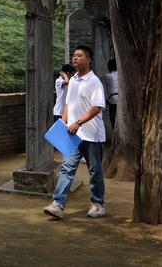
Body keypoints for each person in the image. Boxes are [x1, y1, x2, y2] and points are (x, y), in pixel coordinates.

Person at [43, 44, 107, 220]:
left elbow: (97, 107)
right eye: (74, 55)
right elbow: (68, 105)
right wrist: (62, 124)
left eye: (79, 55)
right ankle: (57, 204)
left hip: (92, 135)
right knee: (67, 168)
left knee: (95, 170)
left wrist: (78, 122)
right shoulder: (72, 81)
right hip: (73, 134)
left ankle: (98, 204)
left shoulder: (94, 82)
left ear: (88, 59)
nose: (74, 58)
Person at [105, 59, 119, 128]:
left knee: (113, 120)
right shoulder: (123, 75)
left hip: (112, 101)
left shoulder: (107, 77)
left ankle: (114, 127)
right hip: (123, 100)